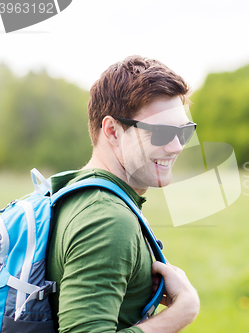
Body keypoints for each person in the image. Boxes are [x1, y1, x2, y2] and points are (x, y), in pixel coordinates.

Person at [46, 56, 200, 333]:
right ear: (112, 131)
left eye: (184, 132)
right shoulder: (107, 218)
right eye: (162, 132)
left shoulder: (72, 192)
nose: (177, 147)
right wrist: (181, 312)